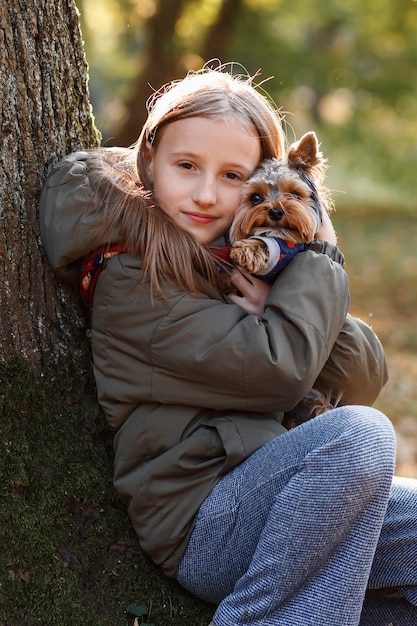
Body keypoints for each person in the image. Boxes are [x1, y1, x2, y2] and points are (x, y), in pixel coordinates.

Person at [39, 65, 417, 625]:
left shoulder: (238, 263)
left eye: (234, 175)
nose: (207, 193)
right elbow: (282, 372)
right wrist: (317, 263)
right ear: (149, 163)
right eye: (187, 166)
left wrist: (291, 276)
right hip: (206, 518)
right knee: (360, 437)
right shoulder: (132, 278)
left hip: (288, 490)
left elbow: (361, 377)